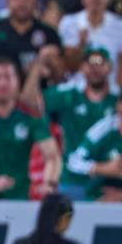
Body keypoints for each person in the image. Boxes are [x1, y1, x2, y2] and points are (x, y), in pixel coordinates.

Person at [0, 57, 62, 201]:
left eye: (8, 77)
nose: (3, 83)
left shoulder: (31, 115)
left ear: (18, 81)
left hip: (19, 193)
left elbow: (53, 156)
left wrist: (50, 183)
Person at [40, 48, 117, 200]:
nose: (95, 68)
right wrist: (38, 67)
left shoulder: (117, 102)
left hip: (109, 185)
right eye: (90, 63)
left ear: (110, 67)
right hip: (72, 179)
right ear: (82, 67)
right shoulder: (68, 95)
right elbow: (33, 104)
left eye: (101, 63)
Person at [66, 97, 122, 201]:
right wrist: (102, 168)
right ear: (118, 106)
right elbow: (73, 161)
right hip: (101, 194)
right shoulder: (105, 128)